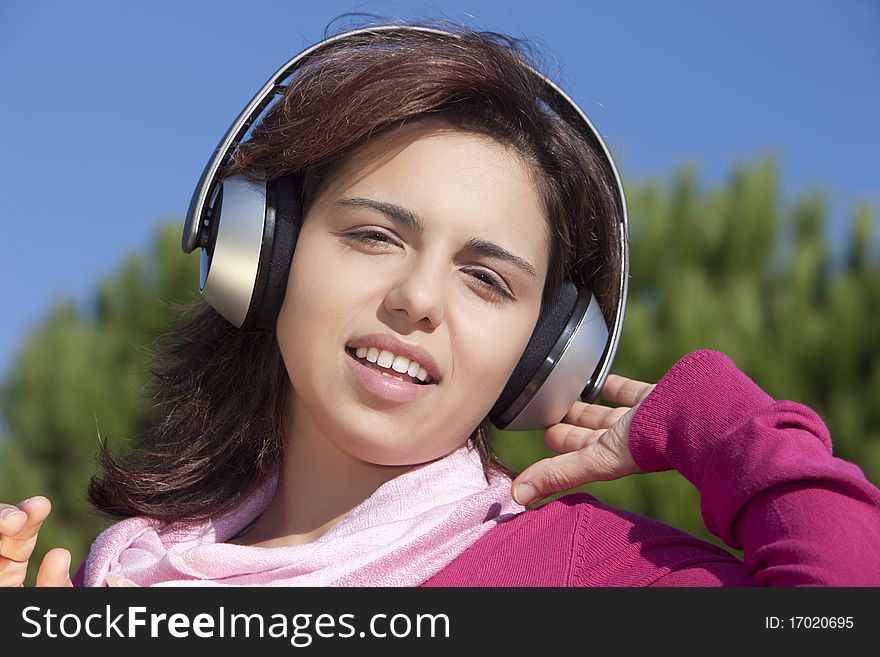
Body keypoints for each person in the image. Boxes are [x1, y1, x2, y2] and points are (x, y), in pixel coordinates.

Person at [1, 21, 878, 588]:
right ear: (265, 253)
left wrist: (728, 429)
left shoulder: (585, 575)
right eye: (375, 235)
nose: (418, 298)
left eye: (487, 279)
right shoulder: (123, 580)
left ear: (546, 355)